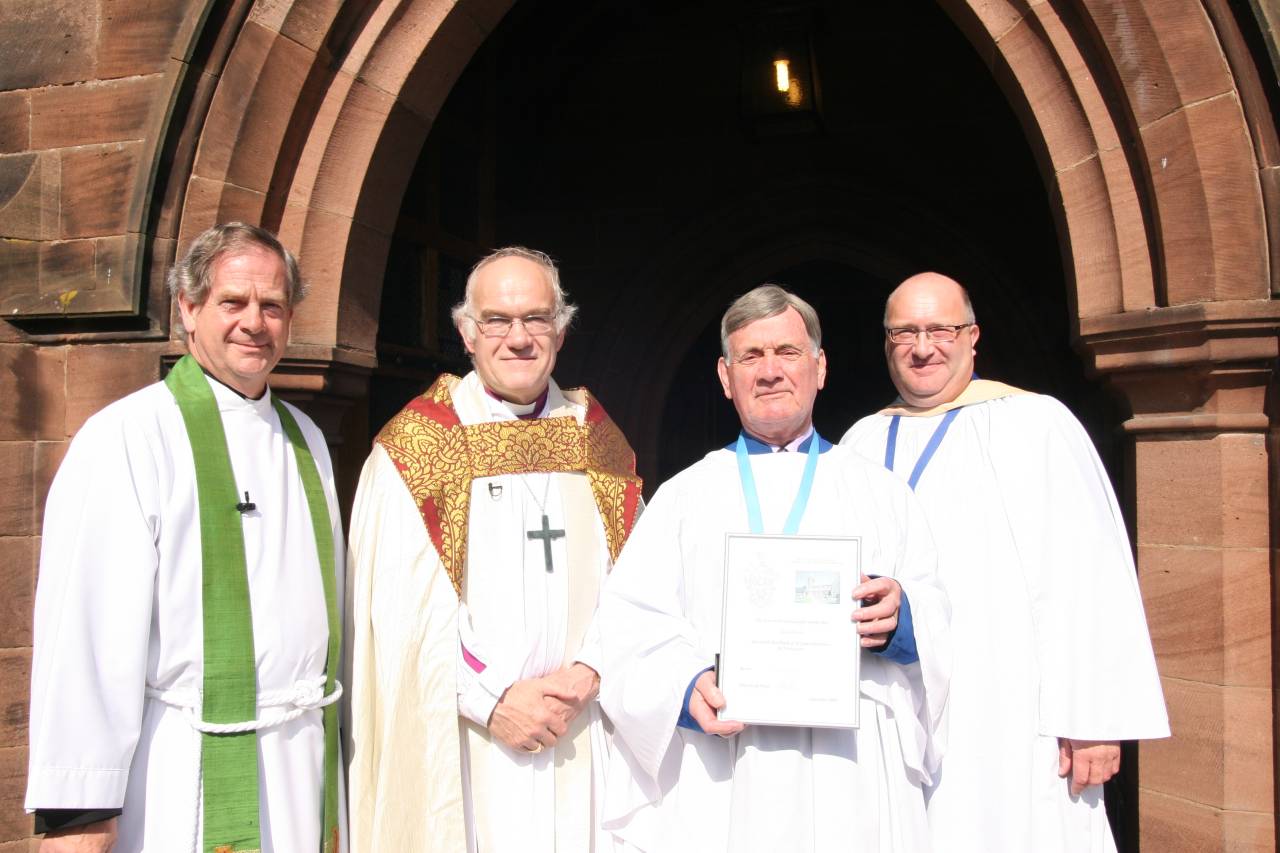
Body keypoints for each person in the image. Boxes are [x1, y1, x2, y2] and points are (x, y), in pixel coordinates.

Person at [594, 285, 950, 853]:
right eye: (750, 356)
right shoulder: (684, 497)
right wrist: (684, 688)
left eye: (786, 352)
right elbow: (629, 628)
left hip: (852, 769)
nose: (769, 372)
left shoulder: (882, 493)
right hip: (724, 768)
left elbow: (942, 617)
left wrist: (900, 619)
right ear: (724, 376)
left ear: (820, 367)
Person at [26, 222, 345, 853]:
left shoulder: (304, 437)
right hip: (186, 768)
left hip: (303, 755)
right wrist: (79, 811)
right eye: (233, 302)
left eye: (273, 305)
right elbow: (84, 632)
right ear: (189, 308)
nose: (255, 322)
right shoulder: (128, 435)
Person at [841, 271, 1170, 853]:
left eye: (940, 329)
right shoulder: (862, 440)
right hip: (899, 707)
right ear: (885, 343)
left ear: (973, 337)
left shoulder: (1036, 425)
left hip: (1013, 709)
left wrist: (1094, 718)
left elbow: (1088, 575)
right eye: (904, 333)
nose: (922, 348)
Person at [346, 246, 643, 852]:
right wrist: (493, 700)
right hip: (468, 737)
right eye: (497, 321)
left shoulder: (601, 441)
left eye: (536, 319)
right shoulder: (417, 447)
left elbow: (640, 586)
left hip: (582, 732)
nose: (518, 338)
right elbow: (397, 613)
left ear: (560, 332)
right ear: (466, 333)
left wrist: (590, 672)